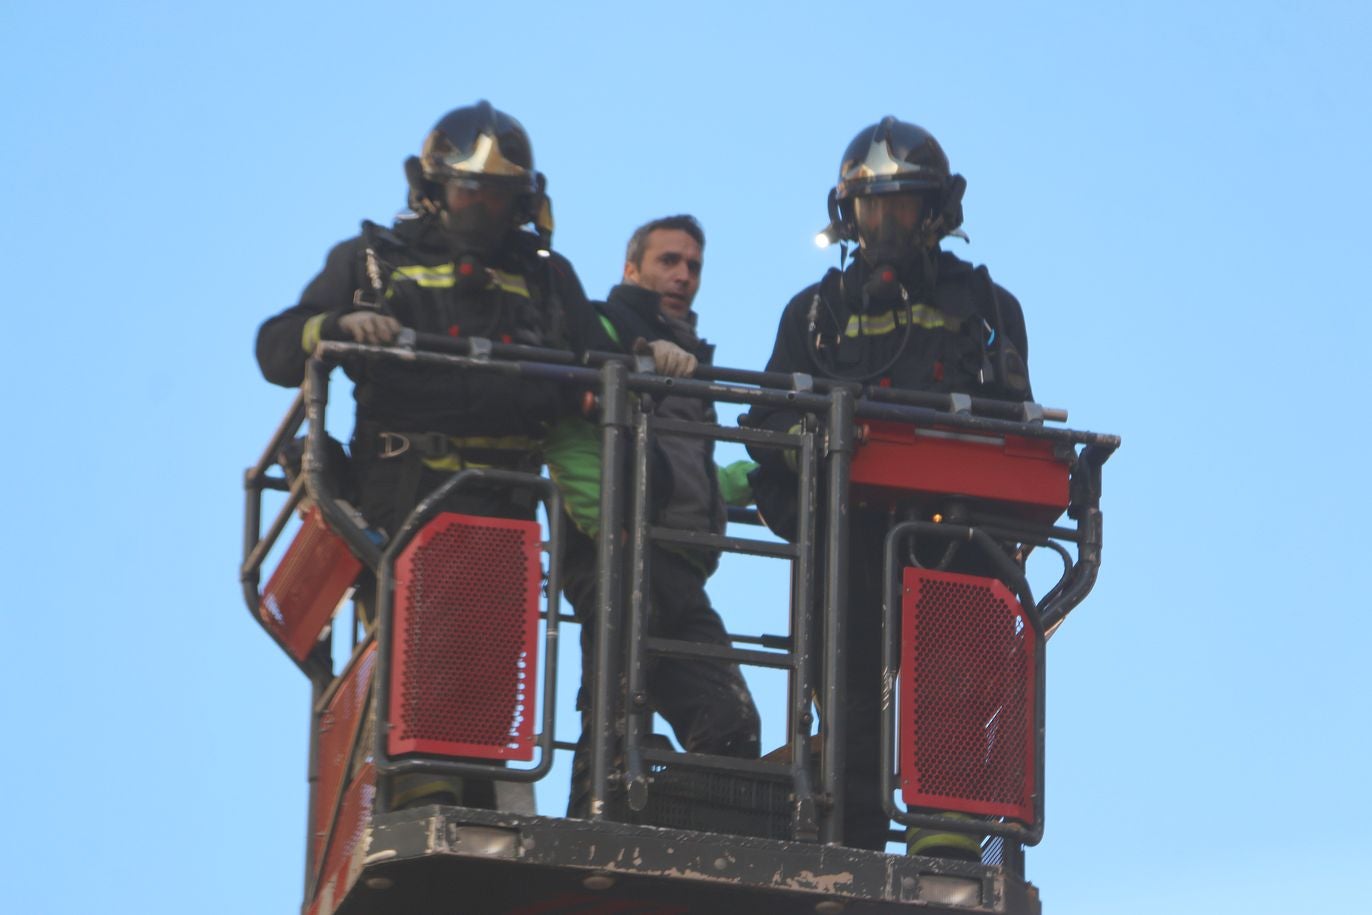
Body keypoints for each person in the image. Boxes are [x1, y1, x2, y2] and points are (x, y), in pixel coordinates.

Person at [256, 101, 598, 808]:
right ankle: (421, 798)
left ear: (523, 201)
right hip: (405, 489)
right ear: (433, 187)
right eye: (469, 190)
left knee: (494, 666)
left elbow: (598, 367)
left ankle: (477, 800)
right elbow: (276, 348)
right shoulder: (375, 261)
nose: (482, 206)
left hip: (504, 497)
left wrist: (642, 355)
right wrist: (337, 325)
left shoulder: (544, 276)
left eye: (498, 194)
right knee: (421, 653)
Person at [743, 117, 1033, 856]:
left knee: (959, 681)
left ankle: (946, 837)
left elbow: (1019, 427)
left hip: (958, 537)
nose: (886, 224)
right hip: (852, 535)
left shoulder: (990, 309)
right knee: (847, 692)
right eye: (873, 209)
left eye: (900, 207)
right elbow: (764, 424)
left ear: (935, 211)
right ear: (849, 213)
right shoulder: (816, 313)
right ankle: (854, 841)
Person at [547, 215, 762, 818]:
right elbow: (566, 438)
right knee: (617, 727)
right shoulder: (605, 327)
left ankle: (681, 837)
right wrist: (610, 529)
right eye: (668, 260)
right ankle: (598, 827)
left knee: (732, 724)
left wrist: (756, 482)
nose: (682, 275)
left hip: (677, 560)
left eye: (693, 265)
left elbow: (682, 466)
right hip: (617, 547)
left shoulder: (689, 356)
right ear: (631, 268)